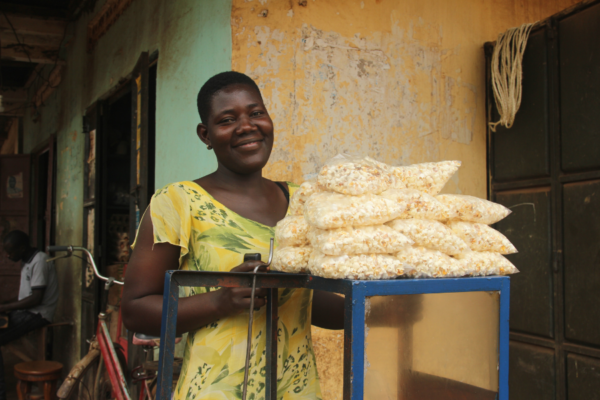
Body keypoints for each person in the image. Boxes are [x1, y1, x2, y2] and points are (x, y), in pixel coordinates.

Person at [122, 71, 344, 399]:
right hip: (216, 390)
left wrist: (374, 304)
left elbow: (307, 302)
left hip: (296, 390)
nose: (246, 126)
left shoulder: (304, 203)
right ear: (206, 134)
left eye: (256, 113)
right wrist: (219, 300)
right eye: (227, 119)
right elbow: (135, 310)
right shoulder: (178, 203)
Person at [0, 230, 58, 400]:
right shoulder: (27, 261)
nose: (7, 255)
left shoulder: (40, 261)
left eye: (10, 252)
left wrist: (5, 307)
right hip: (28, 311)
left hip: (38, 314)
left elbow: (35, 299)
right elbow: (24, 297)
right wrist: (4, 305)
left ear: (22, 248)